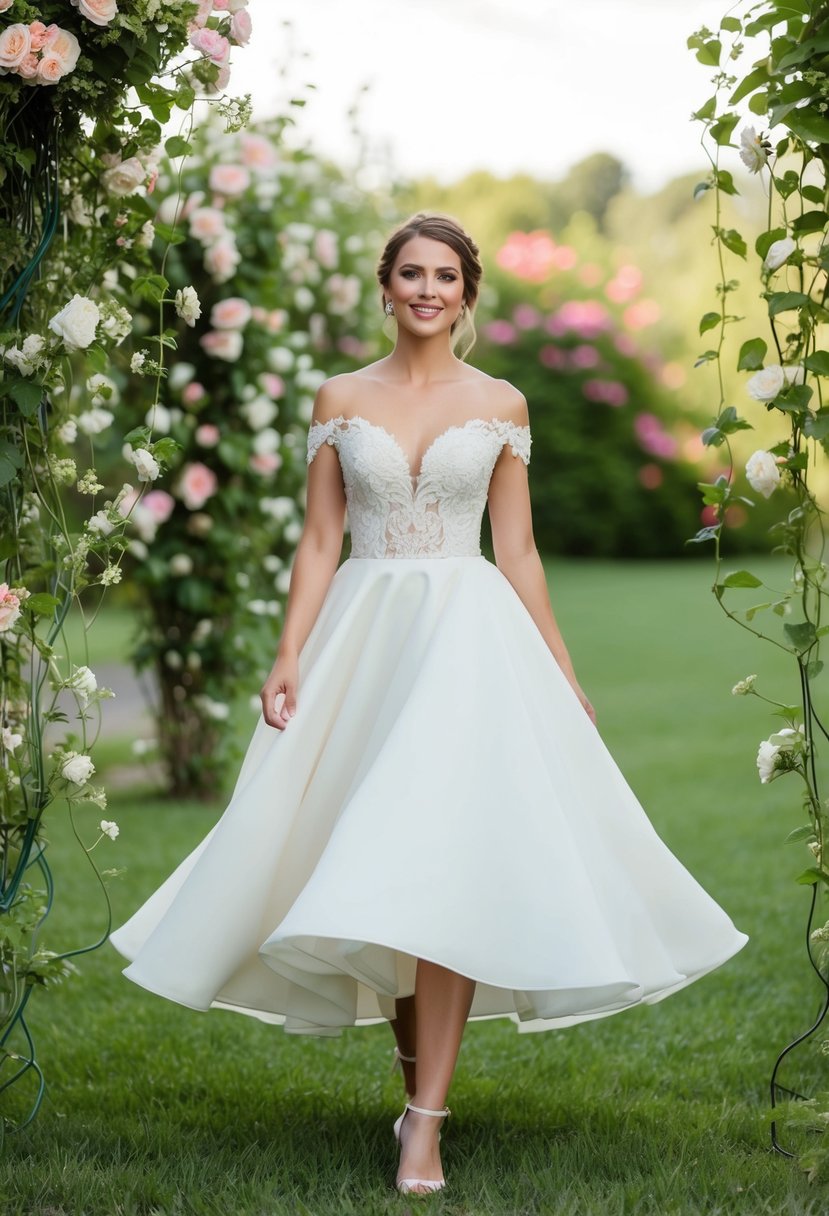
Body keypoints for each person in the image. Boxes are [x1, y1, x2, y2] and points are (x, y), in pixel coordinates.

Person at [111, 211, 748, 1197]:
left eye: (444, 275)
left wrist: (562, 669)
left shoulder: (501, 402)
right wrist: (287, 656)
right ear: (385, 285)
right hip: (362, 643)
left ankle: (425, 1125)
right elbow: (320, 541)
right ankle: (416, 1093)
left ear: (467, 292)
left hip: (467, 645)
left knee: (443, 865)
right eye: (410, 272)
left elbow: (519, 550)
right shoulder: (339, 396)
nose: (426, 289)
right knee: (384, 867)